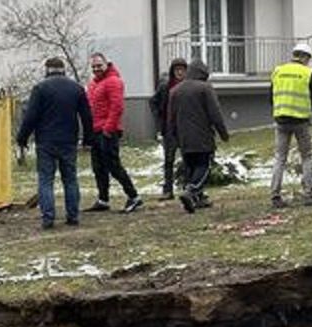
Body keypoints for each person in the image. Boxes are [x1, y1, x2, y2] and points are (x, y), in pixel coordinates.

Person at [15, 56, 94, 230]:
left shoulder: (40, 88)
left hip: (46, 142)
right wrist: (88, 139)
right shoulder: (76, 88)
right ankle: (73, 215)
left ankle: (48, 218)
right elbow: (87, 116)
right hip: (68, 141)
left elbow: (31, 117)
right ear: (63, 69)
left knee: (46, 180)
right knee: (70, 179)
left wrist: (22, 138)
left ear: (47, 69)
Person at [168, 60, 230, 213]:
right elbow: (215, 113)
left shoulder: (175, 90)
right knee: (204, 165)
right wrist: (223, 133)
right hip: (202, 136)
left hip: (183, 138)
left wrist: (174, 136)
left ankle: (198, 198)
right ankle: (191, 191)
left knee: (190, 166)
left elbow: (171, 117)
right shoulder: (205, 88)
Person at [85, 51, 143, 213]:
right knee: (98, 167)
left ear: (106, 64)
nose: (96, 69)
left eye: (99, 65)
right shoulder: (94, 84)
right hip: (96, 131)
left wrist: (108, 129)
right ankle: (103, 199)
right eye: (94, 66)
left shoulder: (113, 82)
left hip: (107, 131)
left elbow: (117, 107)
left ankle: (134, 196)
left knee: (113, 166)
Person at [269, 41, 312, 209]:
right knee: (306, 157)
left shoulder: (278, 71)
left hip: (281, 120)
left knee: (280, 158)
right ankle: (308, 194)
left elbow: (271, 97)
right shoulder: (307, 73)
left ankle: (275, 195)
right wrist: (306, 110)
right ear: (305, 57)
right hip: (301, 121)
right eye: (308, 58)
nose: (308, 62)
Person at [148, 56, 188, 200]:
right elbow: (153, 101)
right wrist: (159, 119)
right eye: (177, 70)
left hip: (184, 128)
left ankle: (187, 189)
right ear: (173, 71)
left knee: (187, 159)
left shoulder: (188, 85)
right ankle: (168, 189)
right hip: (169, 128)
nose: (179, 73)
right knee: (169, 160)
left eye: (182, 70)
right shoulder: (166, 86)